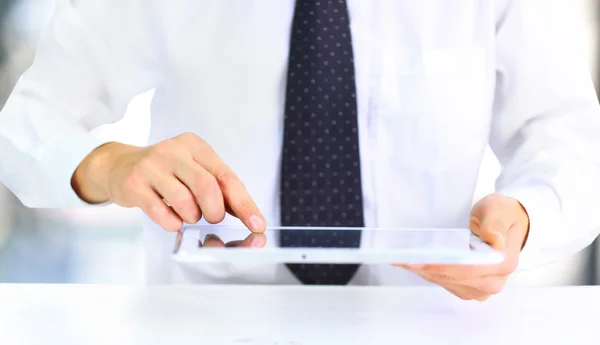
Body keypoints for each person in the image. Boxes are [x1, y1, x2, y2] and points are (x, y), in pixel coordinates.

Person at [1, 0, 600, 301]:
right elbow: (26, 126)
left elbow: (568, 137)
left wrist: (525, 219)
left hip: (426, 322)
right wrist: (113, 166)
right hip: (205, 323)